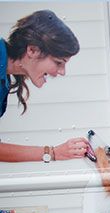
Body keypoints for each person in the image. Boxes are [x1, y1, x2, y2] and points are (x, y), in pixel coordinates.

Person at [0, 9, 91, 163]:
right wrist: (53, 153)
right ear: (32, 50)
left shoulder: (5, 79)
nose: (62, 72)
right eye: (58, 62)